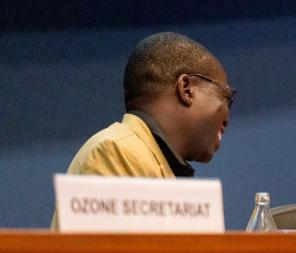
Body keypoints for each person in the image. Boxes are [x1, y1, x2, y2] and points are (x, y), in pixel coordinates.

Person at [52, 32, 235, 226]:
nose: (227, 120)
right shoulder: (115, 152)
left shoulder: (149, 159)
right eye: (227, 99)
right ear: (187, 89)